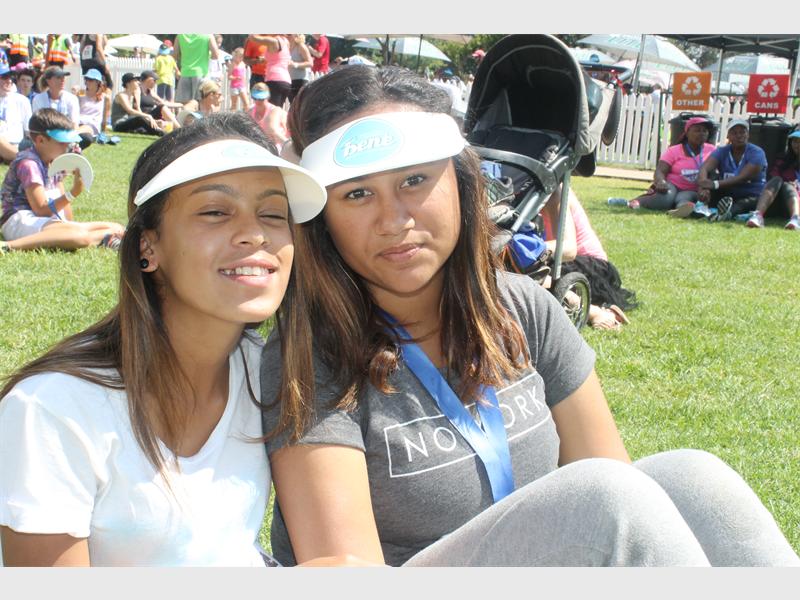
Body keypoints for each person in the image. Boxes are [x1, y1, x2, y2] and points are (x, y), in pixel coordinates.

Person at [259, 66, 800, 568]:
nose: (393, 219)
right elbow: (347, 571)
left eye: (415, 180)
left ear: (460, 181)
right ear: (321, 217)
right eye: (357, 193)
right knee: (605, 501)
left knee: (694, 478)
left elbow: (615, 480)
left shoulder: (523, 308)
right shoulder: (308, 355)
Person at [0, 111, 329, 566]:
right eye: (215, 212)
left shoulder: (273, 374)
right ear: (147, 246)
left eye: (273, 214)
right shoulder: (53, 409)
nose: (255, 235)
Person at [0, 109, 124, 254]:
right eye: (61, 142)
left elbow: (67, 217)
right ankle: (8, 246)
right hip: (19, 220)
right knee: (80, 237)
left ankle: (106, 238)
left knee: (117, 228)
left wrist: (68, 225)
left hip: (44, 221)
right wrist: (73, 193)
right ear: (40, 140)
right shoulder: (29, 164)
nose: (67, 146)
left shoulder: (53, 162)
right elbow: (40, 209)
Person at [541, 187, 637, 331]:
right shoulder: (515, 190)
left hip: (587, 267)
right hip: (555, 258)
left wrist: (527, 248)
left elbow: (568, 249)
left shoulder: (554, 191)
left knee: (525, 271)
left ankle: (593, 311)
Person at [621, 116, 717, 215]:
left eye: (705, 131)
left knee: (684, 198)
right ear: (687, 133)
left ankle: (681, 210)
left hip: (694, 189)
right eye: (697, 130)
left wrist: (706, 188)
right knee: (666, 199)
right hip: (672, 185)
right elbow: (660, 170)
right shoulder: (674, 150)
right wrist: (661, 181)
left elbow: (715, 173)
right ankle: (636, 201)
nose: (702, 133)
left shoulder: (712, 150)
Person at [696, 119, 767, 221]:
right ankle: (702, 205)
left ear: (748, 135)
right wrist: (704, 187)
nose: (739, 136)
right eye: (734, 133)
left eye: (742, 132)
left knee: (742, 204)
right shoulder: (722, 151)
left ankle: (725, 213)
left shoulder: (757, 152)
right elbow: (705, 168)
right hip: (728, 192)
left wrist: (714, 184)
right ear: (728, 136)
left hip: (752, 194)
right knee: (710, 175)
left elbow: (742, 178)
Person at [745, 130, 800, 230]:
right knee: (777, 180)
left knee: (788, 186)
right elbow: (774, 178)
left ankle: (796, 218)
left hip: (796, 200)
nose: (797, 145)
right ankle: (757, 216)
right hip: (781, 201)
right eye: (795, 141)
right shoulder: (783, 160)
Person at [173, 34, 220, 104]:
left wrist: (177, 70)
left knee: (185, 105)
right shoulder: (208, 35)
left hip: (185, 73)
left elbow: (174, 56)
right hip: (202, 74)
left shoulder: (180, 35)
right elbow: (216, 55)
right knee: (202, 104)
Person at [248, 35, 292, 108]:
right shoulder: (285, 41)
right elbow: (278, 58)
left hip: (274, 79)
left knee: (272, 109)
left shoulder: (273, 41)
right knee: (278, 109)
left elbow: (253, 38)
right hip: (286, 81)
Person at [0, 64, 32, 163]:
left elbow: (29, 131)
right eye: (4, 78)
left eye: (11, 77)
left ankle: (21, 157)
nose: (9, 81)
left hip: (16, 145)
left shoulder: (22, 100)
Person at [248, 83, 289, 149]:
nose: (258, 101)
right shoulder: (250, 112)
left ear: (267, 97)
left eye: (261, 98)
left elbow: (273, 130)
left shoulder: (275, 111)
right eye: (255, 98)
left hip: (275, 148)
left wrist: (289, 145)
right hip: (257, 147)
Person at [76, 68, 109, 146]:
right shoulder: (80, 95)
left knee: (82, 129)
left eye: (90, 80)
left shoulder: (105, 98)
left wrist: (103, 133)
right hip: (78, 123)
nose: (87, 82)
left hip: (92, 125)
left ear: (98, 82)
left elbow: (105, 119)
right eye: (86, 79)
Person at [288, 34, 312, 102]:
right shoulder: (286, 47)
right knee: (292, 104)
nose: (286, 36)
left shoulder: (301, 46)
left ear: (296, 35)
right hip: (289, 80)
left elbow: (310, 63)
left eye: (289, 34)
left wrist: (295, 64)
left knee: (299, 104)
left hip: (300, 80)